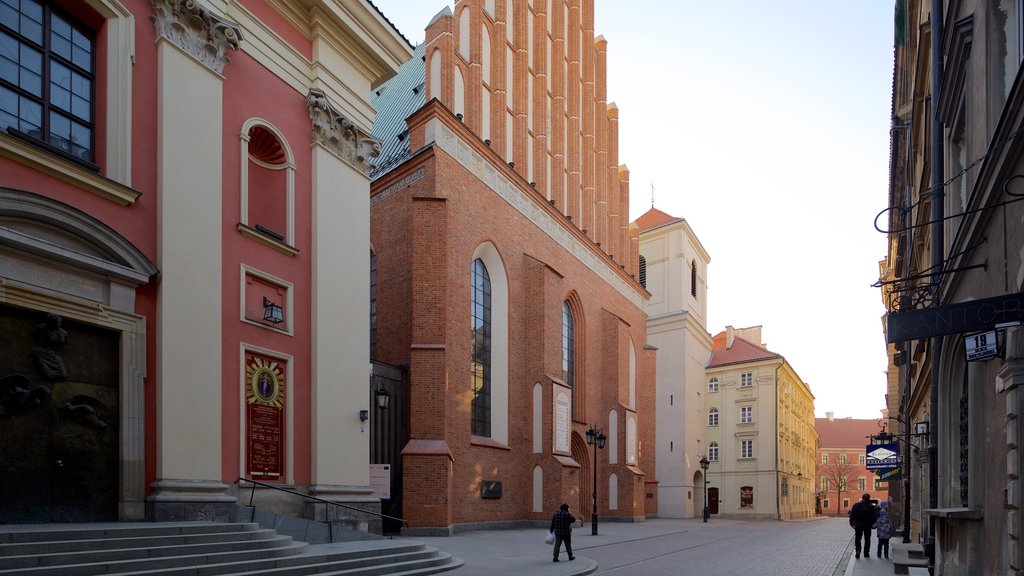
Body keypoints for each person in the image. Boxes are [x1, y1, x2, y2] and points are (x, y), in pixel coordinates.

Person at [849, 493, 879, 559]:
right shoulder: (871, 506)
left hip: (858, 524)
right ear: (869, 498)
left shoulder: (856, 505)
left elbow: (852, 515)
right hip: (867, 525)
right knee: (867, 539)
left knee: (858, 539)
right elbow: (874, 517)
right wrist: (871, 523)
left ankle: (858, 550)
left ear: (862, 498)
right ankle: (866, 553)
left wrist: (852, 523)